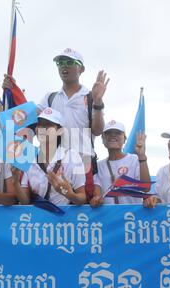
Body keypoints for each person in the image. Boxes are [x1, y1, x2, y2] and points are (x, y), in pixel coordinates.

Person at [36, 48, 110, 201]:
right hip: (55, 164)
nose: (64, 66)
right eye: (60, 63)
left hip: (83, 163)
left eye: (70, 62)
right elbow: (25, 119)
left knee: (84, 214)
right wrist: (4, 97)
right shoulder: (50, 98)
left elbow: (97, 130)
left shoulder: (90, 97)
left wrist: (97, 102)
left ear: (81, 68)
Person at [12, 108, 86, 206]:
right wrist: (15, 182)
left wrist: (69, 194)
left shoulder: (72, 156)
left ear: (60, 131)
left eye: (48, 125)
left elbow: (82, 198)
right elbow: (25, 201)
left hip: (64, 219)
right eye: (39, 124)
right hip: (37, 219)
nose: (41, 128)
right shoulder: (29, 157)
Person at [89, 120, 151, 207]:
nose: (113, 135)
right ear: (103, 139)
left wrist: (142, 156)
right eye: (108, 133)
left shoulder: (134, 159)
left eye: (118, 133)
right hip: (109, 217)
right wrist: (97, 199)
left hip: (132, 217)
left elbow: (146, 188)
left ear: (124, 138)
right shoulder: (98, 166)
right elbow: (97, 194)